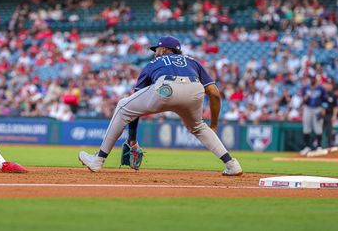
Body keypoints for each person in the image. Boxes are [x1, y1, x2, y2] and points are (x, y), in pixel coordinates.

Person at [78, 36, 242, 176]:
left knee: (123, 106)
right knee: (198, 126)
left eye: (157, 48)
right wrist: (213, 124)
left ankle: (97, 160)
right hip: (195, 90)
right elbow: (214, 93)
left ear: (164, 49)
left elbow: (134, 104)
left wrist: (132, 139)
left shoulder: (154, 62)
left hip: (166, 88)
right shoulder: (193, 62)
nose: (155, 52)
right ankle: (232, 164)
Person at [299, 74, 328, 155]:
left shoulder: (321, 88)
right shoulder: (306, 88)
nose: (312, 80)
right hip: (308, 108)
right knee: (306, 127)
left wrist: (323, 109)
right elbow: (302, 100)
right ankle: (306, 147)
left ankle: (319, 146)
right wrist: (304, 99)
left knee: (318, 128)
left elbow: (325, 100)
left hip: (318, 108)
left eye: (313, 79)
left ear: (316, 79)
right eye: (311, 78)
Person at [322, 80, 338, 149]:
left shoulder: (333, 95)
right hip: (321, 115)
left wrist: (334, 116)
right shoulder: (322, 93)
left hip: (329, 114)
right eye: (327, 84)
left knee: (329, 131)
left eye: (329, 84)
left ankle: (329, 146)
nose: (328, 85)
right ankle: (319, 146)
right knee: (319, 130)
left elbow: (336, 106)